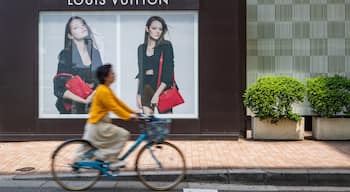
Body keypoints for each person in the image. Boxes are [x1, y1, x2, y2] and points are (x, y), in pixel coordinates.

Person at [80, 64, 138, 170]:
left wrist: (133, 112)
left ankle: (104, 157)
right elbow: (114, 107)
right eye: (112, 73)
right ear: (105, 77)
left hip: (98, 124)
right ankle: (110, 160)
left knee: (116, 136)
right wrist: (129, 116)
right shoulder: (103, 91)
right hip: (97, 126)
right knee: (123, 134)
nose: (114, 74)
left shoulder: (106, 89)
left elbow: (118, 103)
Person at [54, 16, 103, 114]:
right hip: (71, 110)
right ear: (70, 35)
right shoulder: (66, 55)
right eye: (76, 27)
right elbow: (59, 89)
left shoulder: (95, 53)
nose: (82, 27)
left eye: (83, 24)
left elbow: (101, 82)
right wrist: (84, 100)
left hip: (92, 109)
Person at [136, 16, 174, 115]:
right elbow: (141, 73)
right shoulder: (141, 48)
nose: (157, 31)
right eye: (154, 28)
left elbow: (168, 74)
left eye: (160, 29)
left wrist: (157, 94)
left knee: (165, 125)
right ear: (147, 29)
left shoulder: (166, 46)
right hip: (146, 88)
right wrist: (138, 94)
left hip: (162, 87)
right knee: (149, 124)